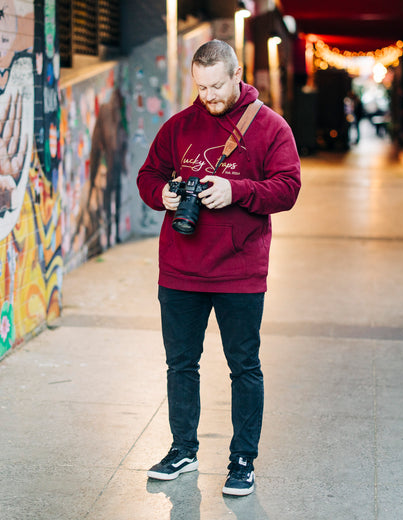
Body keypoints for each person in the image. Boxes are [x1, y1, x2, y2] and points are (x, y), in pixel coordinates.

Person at [136, 39, 301, 496]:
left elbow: (287, 188)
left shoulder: (270, 128)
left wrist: (238, 192)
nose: (207, 96)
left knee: (244, 366)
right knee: (180, 364)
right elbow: (148, 176)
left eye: (215, 86)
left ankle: (243, 460)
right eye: (200, 87)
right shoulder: (178, 126)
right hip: (180, 269)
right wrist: (162, 196)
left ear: (236, 76)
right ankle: (183, 448)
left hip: (240, 271)